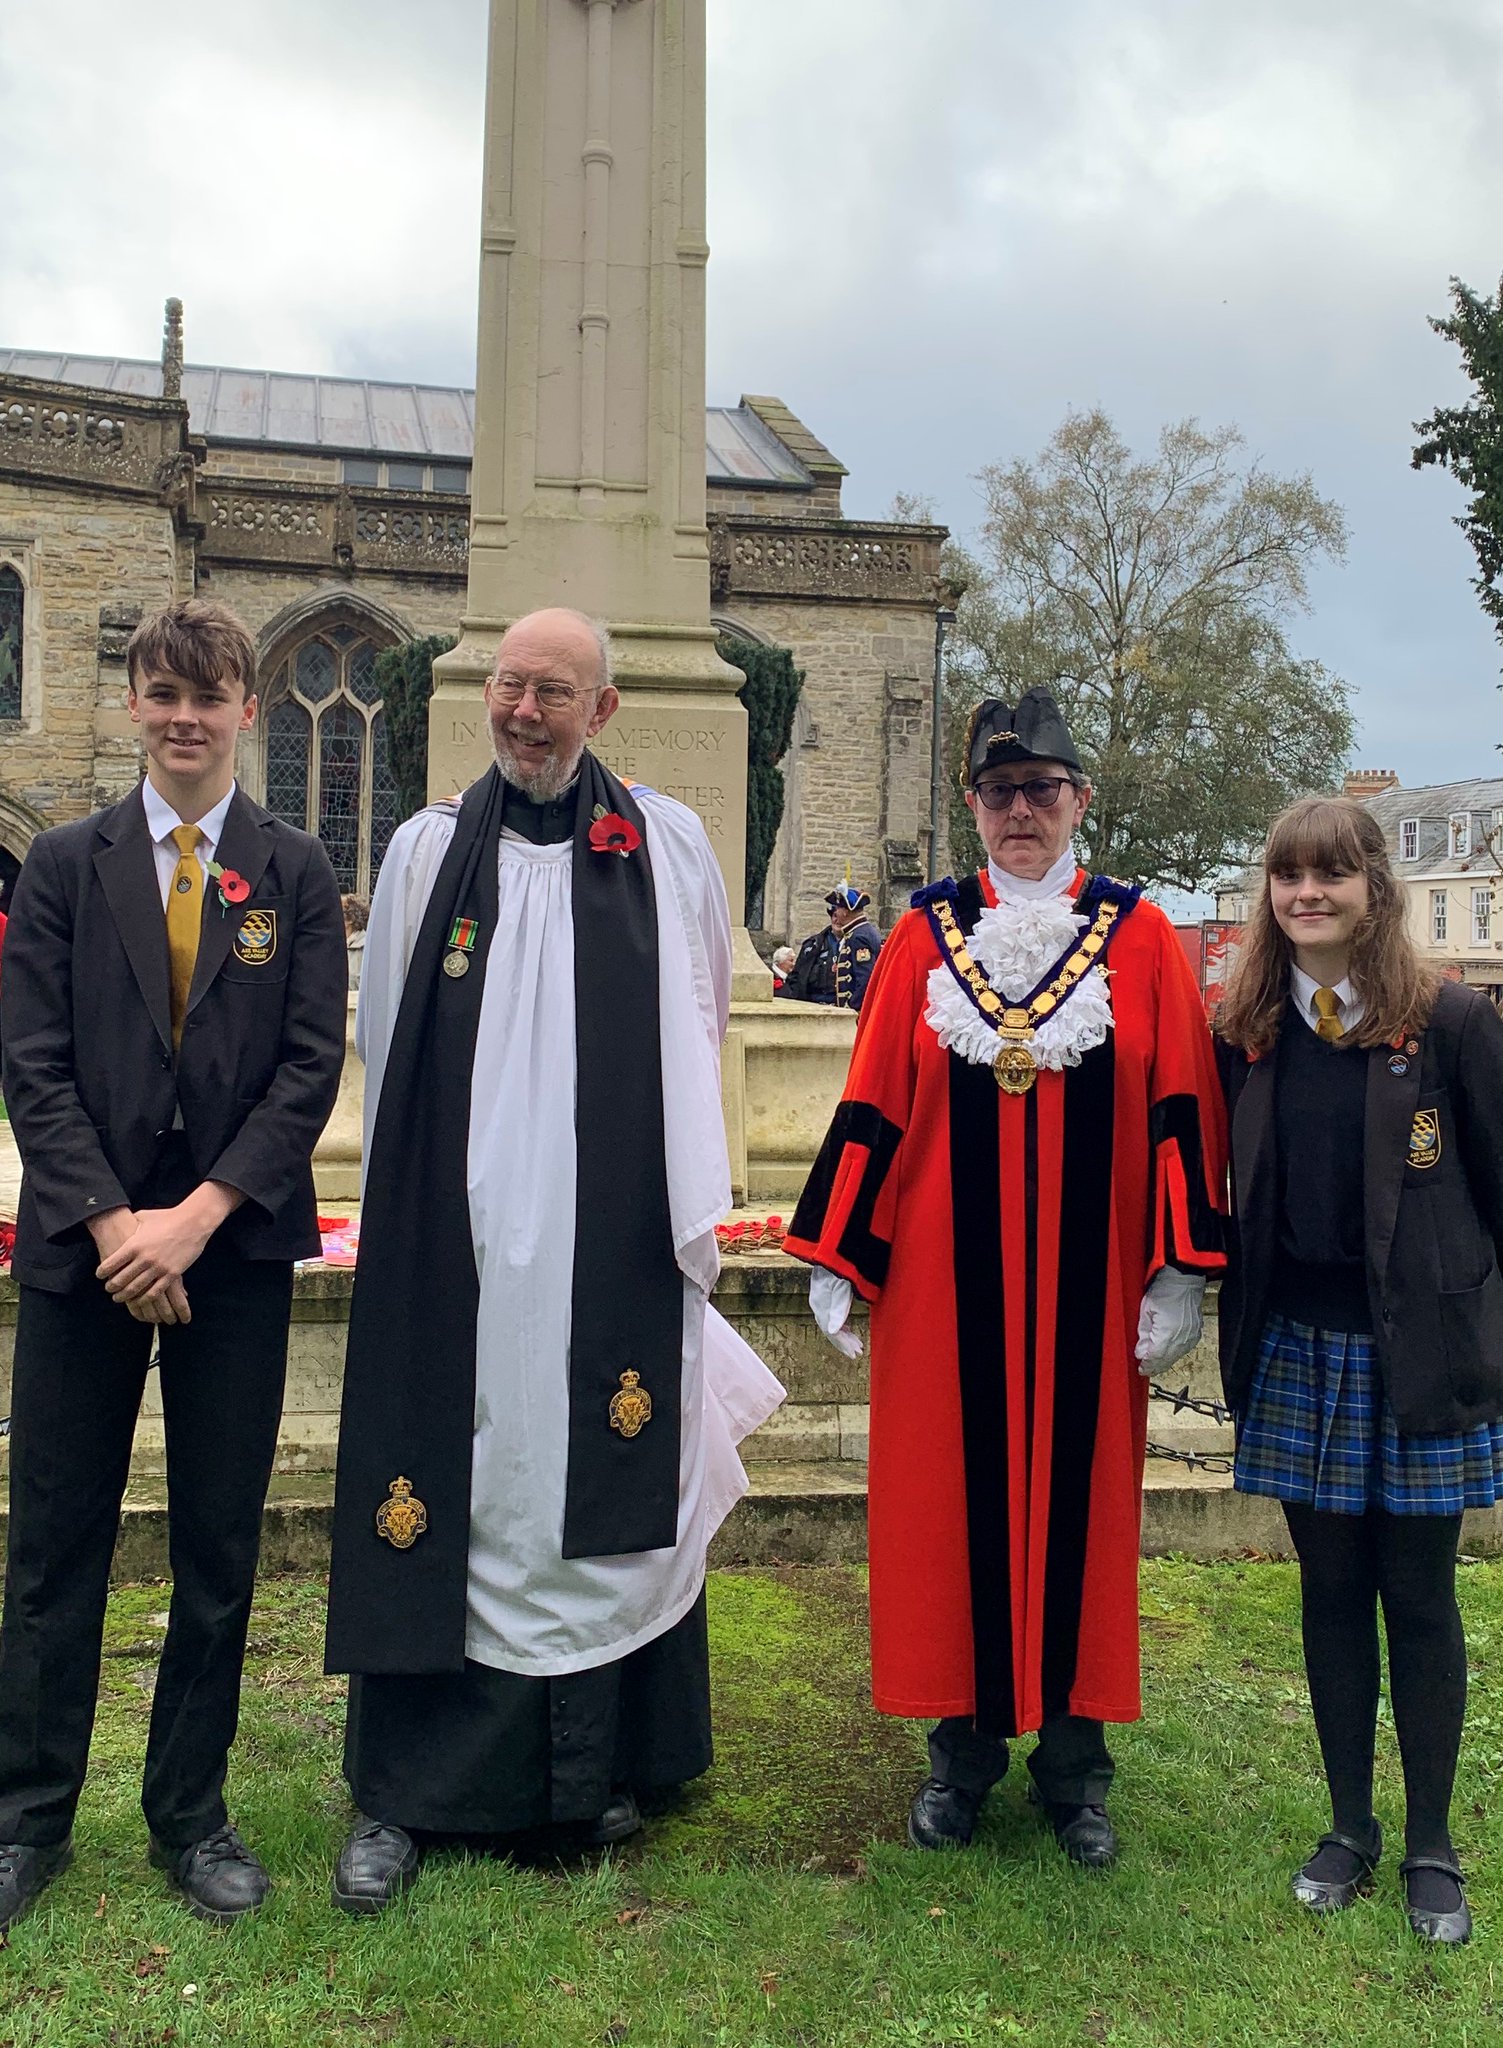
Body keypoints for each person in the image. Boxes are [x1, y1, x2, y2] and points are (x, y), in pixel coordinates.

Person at [325, 606, 781, 1913]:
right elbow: (390, 1035)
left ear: (604, 711)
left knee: (593, 1464)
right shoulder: (423, 855)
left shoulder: (668, 848)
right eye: (508, 687)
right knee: (456, 1470)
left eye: (554, 692)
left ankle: (599, 1768)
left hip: (607, 1232)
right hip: (457, 1237)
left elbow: (692, 1018)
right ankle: (411, 1792)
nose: (524, 713)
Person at [785, 690, 1227, 1866]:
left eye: (1041, 790)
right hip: (944, 1289)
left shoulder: (1138, 933)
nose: (1019, 810)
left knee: (1085, 1516)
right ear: (972, 807)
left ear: (1081, 799)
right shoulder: (924, 933)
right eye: (997, 792)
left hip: (1092, 1294)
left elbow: (1183, 1100)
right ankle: (961, 1757)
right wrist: (842, 1256)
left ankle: (1076, 1770)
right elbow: (875, 1096)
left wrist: (1179, 1266)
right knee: (948, 1514)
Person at [0, 599, 347, 1931]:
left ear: (249, 710)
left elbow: (307, 1068)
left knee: (215, 1548)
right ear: (135, 704)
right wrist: (108, 1224)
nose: (186, 715)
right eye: (163, 692)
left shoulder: (296, 872)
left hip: (232, 1252)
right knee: (52, 1546)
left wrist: (193, 1219)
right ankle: (28, 1817)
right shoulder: (62, 866)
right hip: (83, 1255)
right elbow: (30, 1061)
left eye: (210, 694)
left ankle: (188, 1816)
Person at [1217, 795, 1503, 1946]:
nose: (1308, 895)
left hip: (1421, 1352)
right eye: (1289, 876)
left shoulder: (1452, 1021)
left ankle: (1431, 1841)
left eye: (1331, 874)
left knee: (1420, 1597)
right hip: (1298, 1346)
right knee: (1329, 1592)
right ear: (1270, 895)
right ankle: (1350, 1826)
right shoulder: (1247, 1026)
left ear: (1374, 888)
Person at [778, 882, 883, 1010]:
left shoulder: (859, 936)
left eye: (837, 909)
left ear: (845, 912)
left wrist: (850, 1007)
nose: (836, 914)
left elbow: (865, 979)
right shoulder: (860, 932)